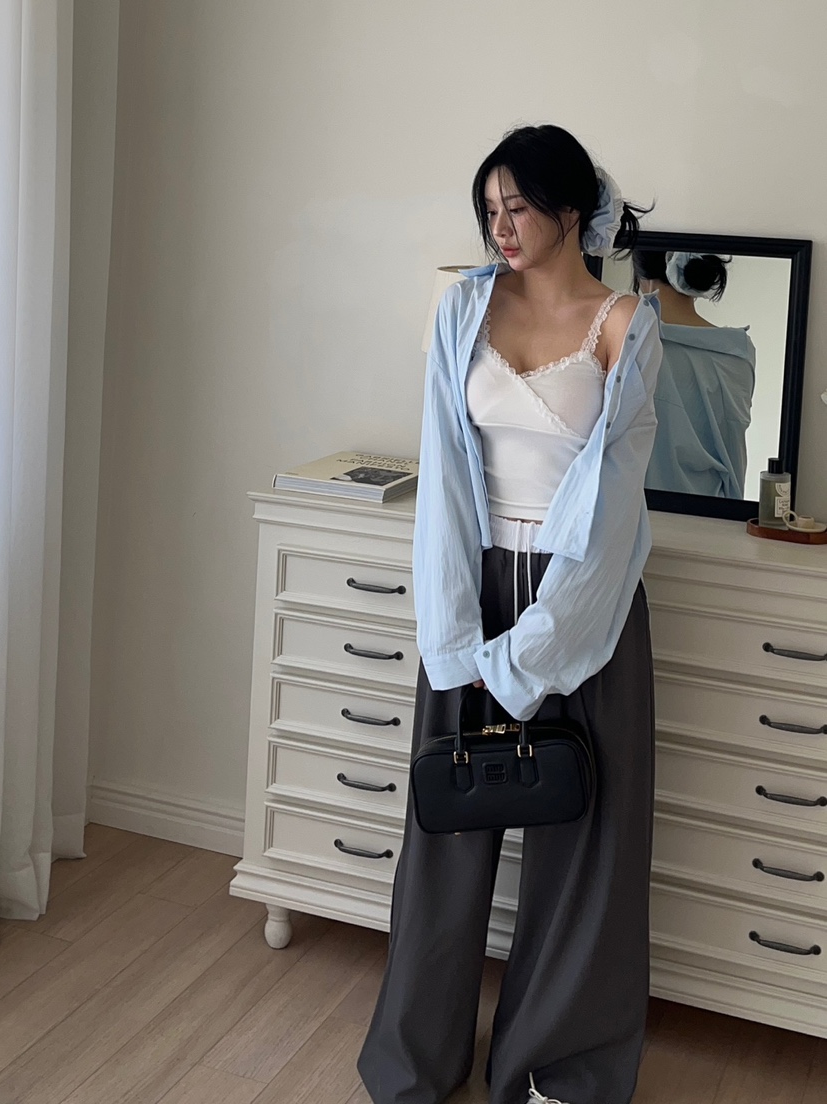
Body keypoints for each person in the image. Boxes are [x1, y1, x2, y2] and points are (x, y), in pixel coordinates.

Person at [357, 124, 663, 1104]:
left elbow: (614, 508)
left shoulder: (626, 324)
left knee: (585, 844)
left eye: (518, 207)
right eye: (489, 209)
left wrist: (540, 644)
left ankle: (557, 1068)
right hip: (473, 588)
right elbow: (446, 474)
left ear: (571, 209)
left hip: (585, 602)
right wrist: (457, 635)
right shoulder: (462, 309)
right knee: (447, 831)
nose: (500, 227)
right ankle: (417, 1058)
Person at [633, 250, 756, 498]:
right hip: (709, 511)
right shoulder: (737, 353)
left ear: (640, 273)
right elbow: (734, 455)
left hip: (635, 511)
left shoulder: (629, 342)